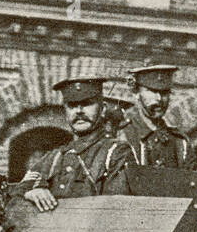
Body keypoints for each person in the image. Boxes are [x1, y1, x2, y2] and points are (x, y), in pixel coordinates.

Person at [19, 77, 126, 211]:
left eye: (87, 104)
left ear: (103, 109)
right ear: (65, 111)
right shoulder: (55, 157)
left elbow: (116, 206)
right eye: (72, 105)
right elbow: (19, 189)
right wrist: (32, 192)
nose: (79, 111)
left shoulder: (116, 152)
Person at [115, 62, 193, 169]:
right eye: (152, 91)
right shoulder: (123, 135)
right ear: (136, 93)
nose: (159, 99)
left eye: (164, 92)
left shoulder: (180, 142)